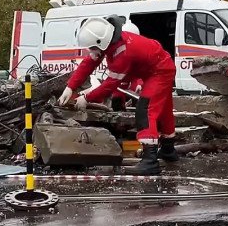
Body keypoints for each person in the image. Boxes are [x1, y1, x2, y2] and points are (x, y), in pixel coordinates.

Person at [58, 16, 177, 175]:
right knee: (163, 111)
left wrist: (86, 98)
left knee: (145, 110)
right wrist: (69, 87)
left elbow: (110, 84)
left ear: (101, 42)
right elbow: (89, 63)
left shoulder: (123, 53)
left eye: (92, 47)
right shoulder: (109, 43)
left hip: (159, 71)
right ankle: (168, 150)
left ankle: (150, 161)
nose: (91, 51)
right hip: (158, 67)